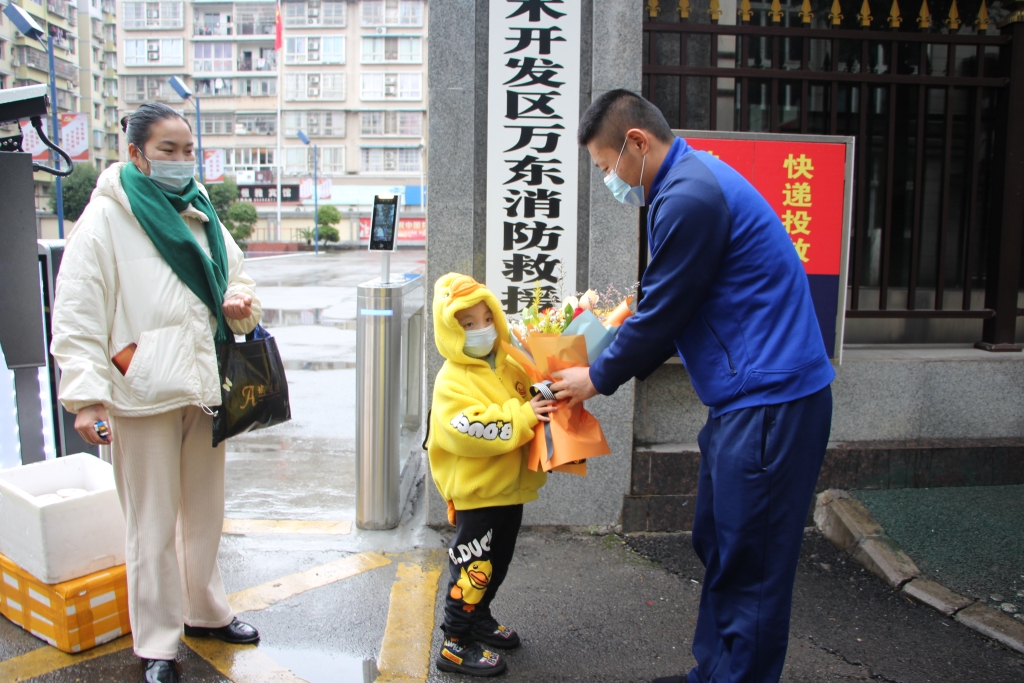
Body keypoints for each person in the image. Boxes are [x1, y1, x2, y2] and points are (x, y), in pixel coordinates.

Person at [550, 90, 835, 683]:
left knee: (750, 562)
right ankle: (715, 672)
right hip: (746, 399)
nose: (610, 181)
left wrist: (595, 376)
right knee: (720, 541)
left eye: (606, 168)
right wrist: (608, 331)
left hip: (771, 402)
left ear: (636, 143)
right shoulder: (685, 182)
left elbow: (665, 312)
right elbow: (663, 301)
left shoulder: (689, 196)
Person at [50, 102, 263, 683]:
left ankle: (205, 611)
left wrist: (240, 305)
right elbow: (76, 316)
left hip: (201, 384)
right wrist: (86, 398)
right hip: (139, 390)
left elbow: (238, 276)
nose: (180, 161)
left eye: (188, 150)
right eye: (167, 151)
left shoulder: (201, 210)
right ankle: (157, 644)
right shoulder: (104, 220)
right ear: (136, 154)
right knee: (150, 521)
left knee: (203, 514)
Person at [427, 273, 557, 677]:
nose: (481, 329)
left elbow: (530, 396)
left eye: (487, 319)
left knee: (495, 564)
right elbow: (468, 430)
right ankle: (455, 642)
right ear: (450, 330)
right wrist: (523, 417)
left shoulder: (511, 362)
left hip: (509, 489)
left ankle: (478, 618)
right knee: (471, 570)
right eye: (467, 324)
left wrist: (551, 391)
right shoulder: (452, 380)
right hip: (478, 493)